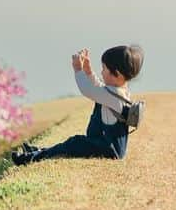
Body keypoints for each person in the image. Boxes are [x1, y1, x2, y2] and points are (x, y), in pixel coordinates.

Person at [12, 44, 144, 164]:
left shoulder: (114, 96)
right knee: (73, 144)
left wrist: (78, 70)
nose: (102, 72)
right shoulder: (119, 91)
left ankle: (31, 158)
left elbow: (89, 90)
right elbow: (99, 89)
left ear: (118, 74)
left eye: (104, 69)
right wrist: (88, 72)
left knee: (74, 143)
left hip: (108, 149)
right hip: (107, 145)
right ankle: (39, 151)